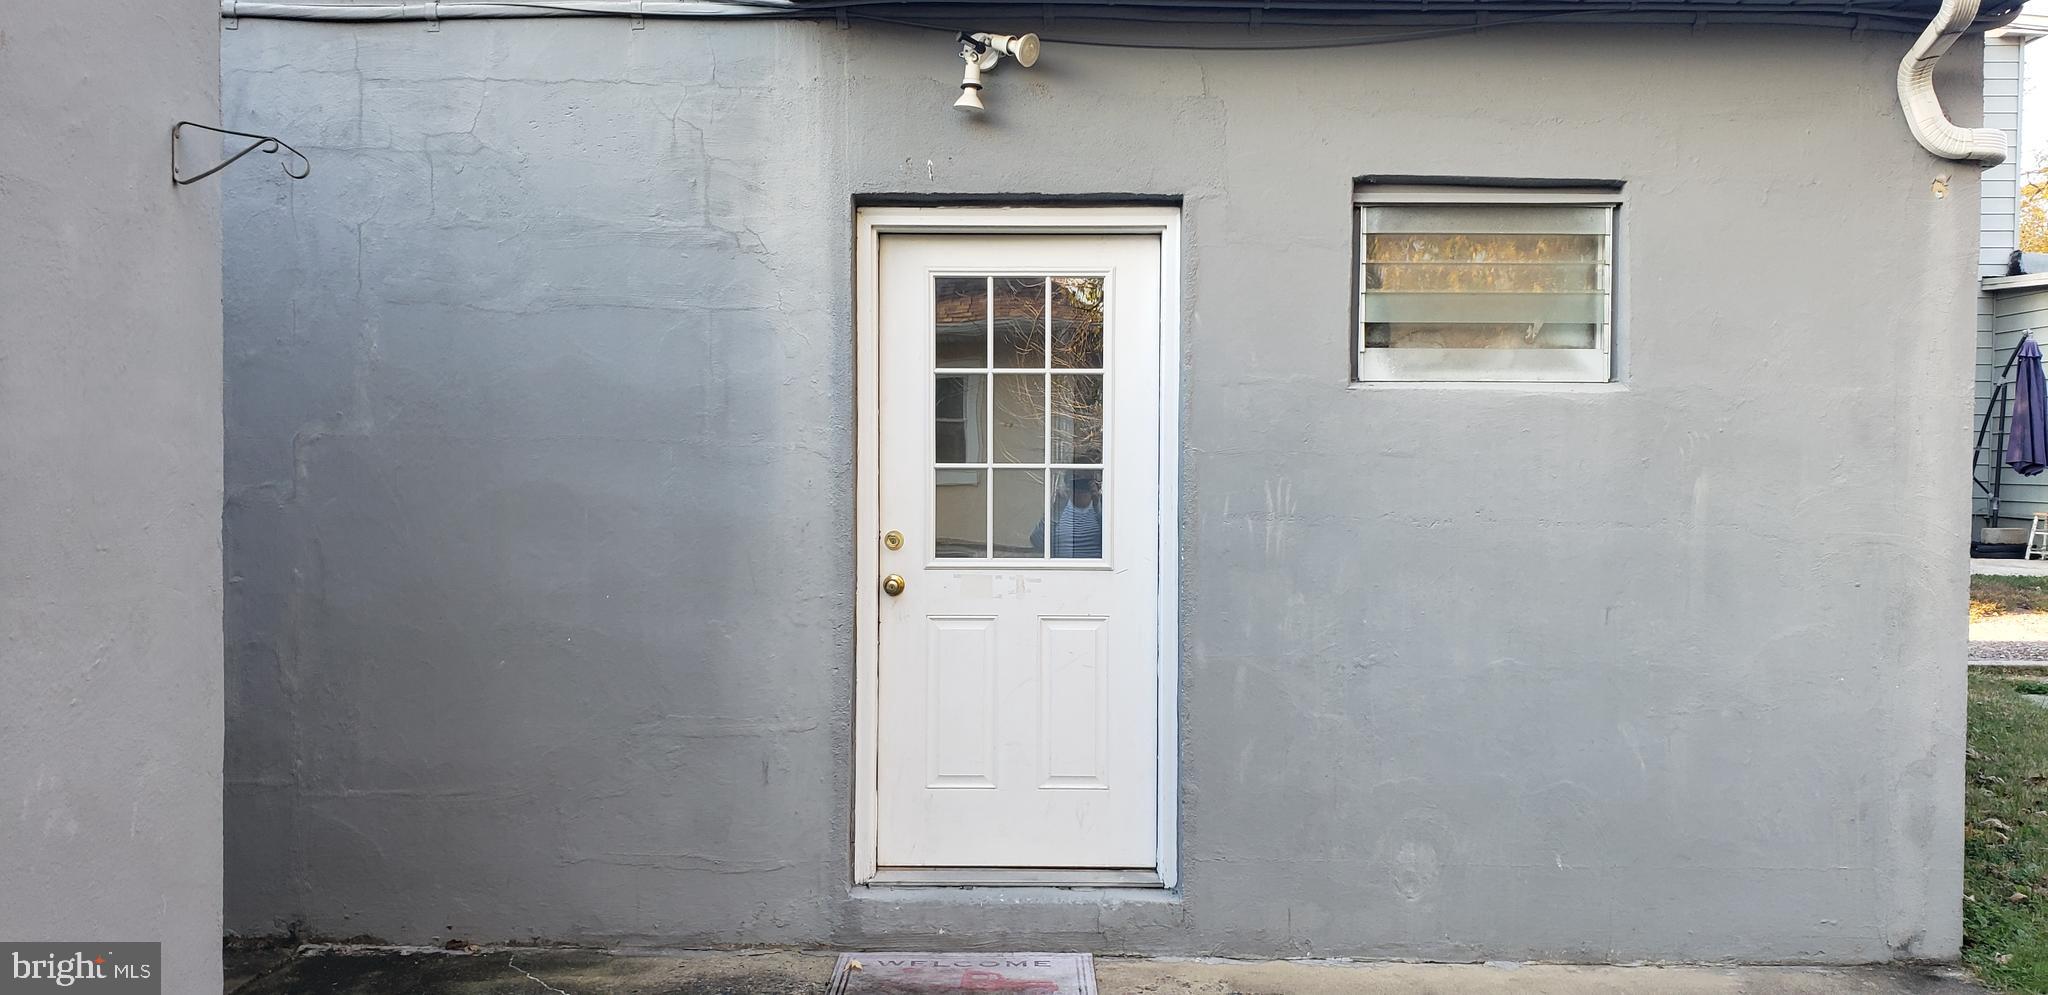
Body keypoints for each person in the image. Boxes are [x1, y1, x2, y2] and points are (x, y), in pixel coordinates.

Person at [1031, 473, 1102, 558]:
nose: (1081, 485)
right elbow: (1037, 542)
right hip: (1062, 568)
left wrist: (1098, 506)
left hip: (1098, 569)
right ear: (1068, 482)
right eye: (1077, 480)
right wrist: (1056, 510)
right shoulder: (1059, 506)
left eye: (1086, 481)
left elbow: (1114, 544)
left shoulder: (1102, 508)